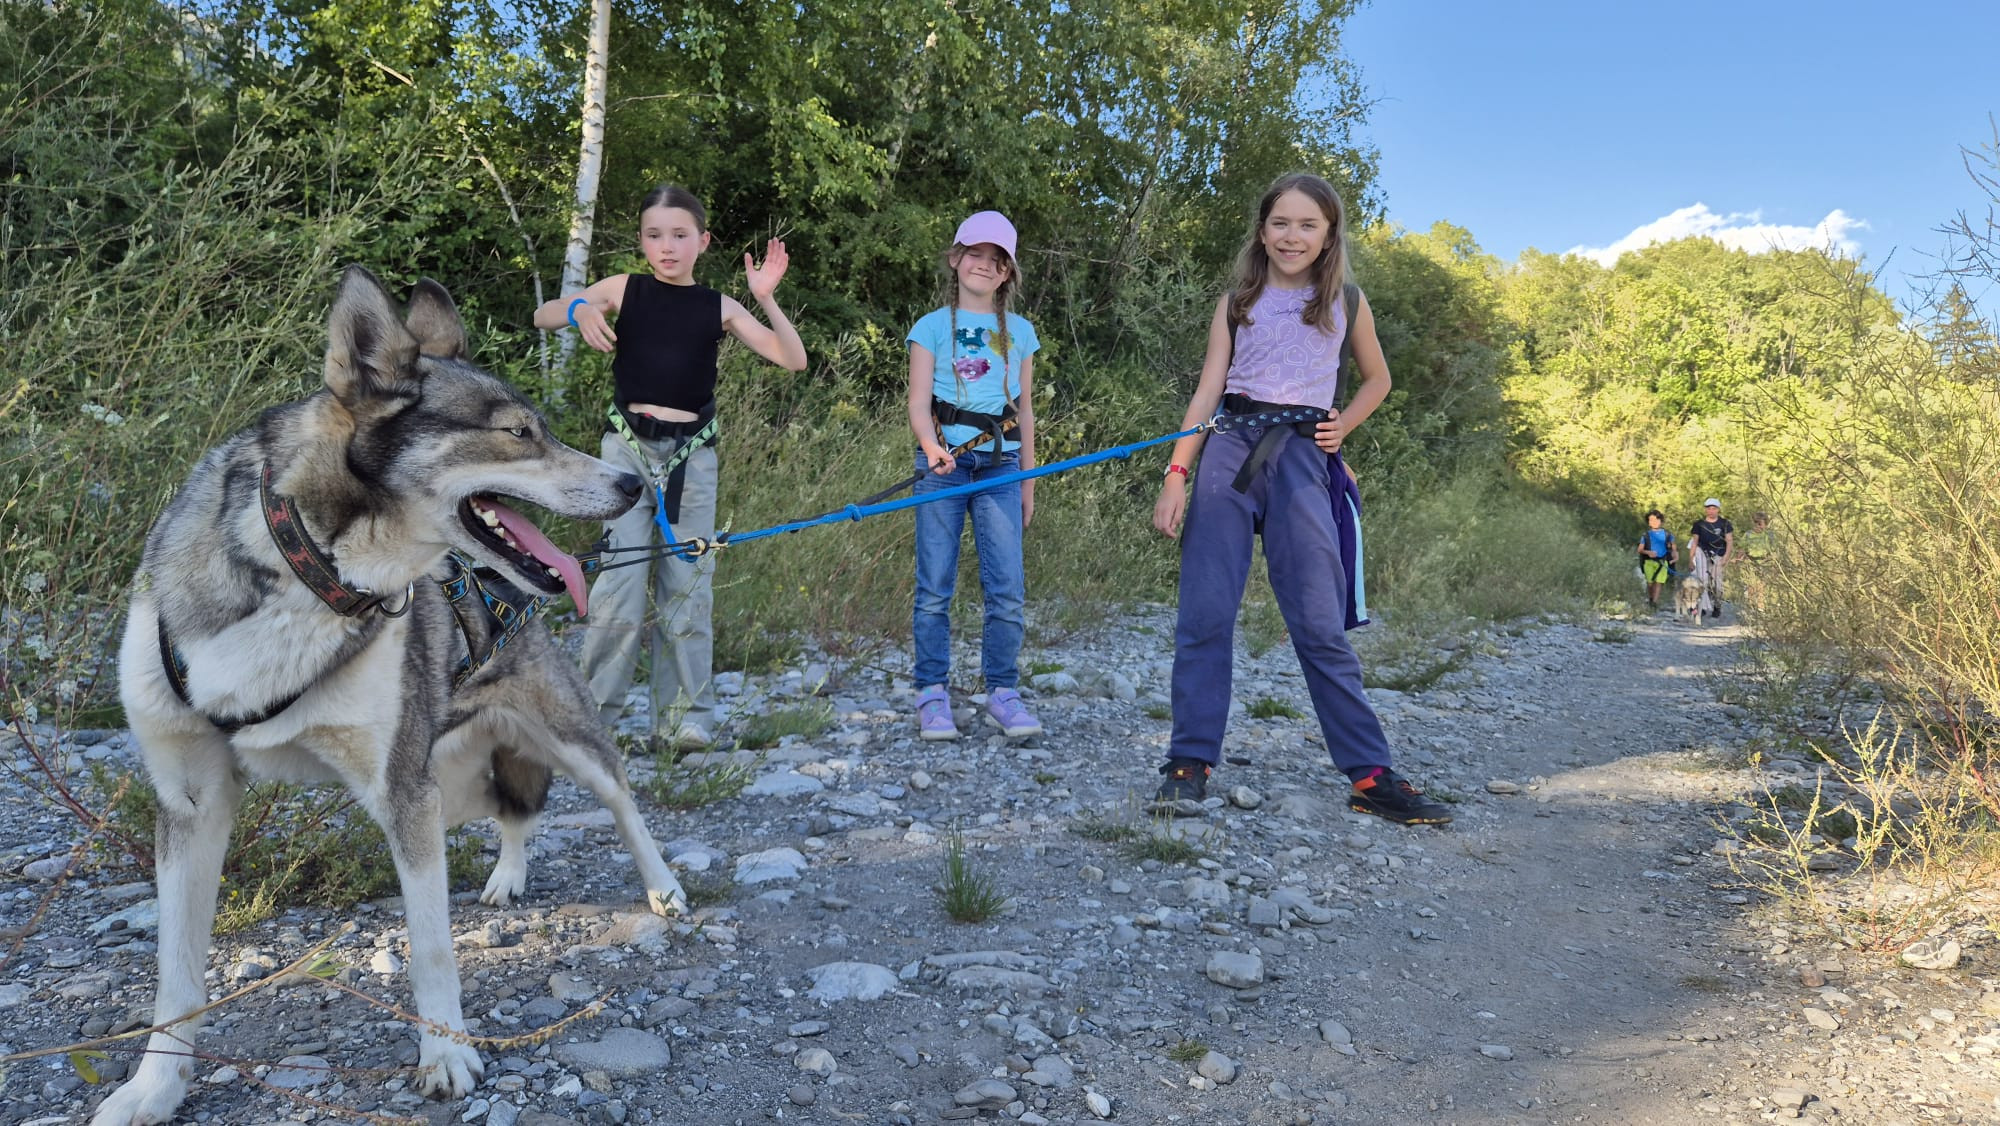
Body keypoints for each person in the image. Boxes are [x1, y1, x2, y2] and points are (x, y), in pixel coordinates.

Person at [1148, 172, 1449, 826]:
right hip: (1229, 447)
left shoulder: (1346, 301)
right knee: (1205, 610)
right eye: (1280, 222)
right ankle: (1188, 762)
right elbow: (1204, 394)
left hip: (1303, 457)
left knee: (1318, 621)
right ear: (1263, 230)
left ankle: (1370, 776)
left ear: (1328, 234)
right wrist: (1177, 474)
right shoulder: (1236, 302)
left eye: (1307, 224)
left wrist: (1345, 425)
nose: (1292, 235)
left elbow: (1378, 379)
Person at [534, 184, 807, 751]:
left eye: (680, 235)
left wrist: (766, 298)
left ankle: (685, 720)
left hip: (691, 458)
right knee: (620, 585)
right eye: (655, 235)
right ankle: (594, 722)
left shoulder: (719, 306)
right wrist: (582, 305)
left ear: (702, 242)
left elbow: (792, 359)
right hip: (625, 454)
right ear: (642, 241)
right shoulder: (624, 289)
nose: (667, 247)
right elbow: (545, 315)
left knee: (687, 587)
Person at [905, 210, 1043, 741]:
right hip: (942, 470)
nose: (984, 265)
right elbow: (919, 403)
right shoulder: (932, 326)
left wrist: (1027, 484)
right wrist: (930, 446)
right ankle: (931, 693)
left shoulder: (1022, 334)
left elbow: (1025, 413)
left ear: (1006, 272)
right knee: (934, 587)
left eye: (996, 259)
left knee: (1006, 589)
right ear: (956, 257)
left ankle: (1002, 690)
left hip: (1002, 469)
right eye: (975, 254)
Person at [1684, 498, 1734, 622]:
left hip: (1718, 554)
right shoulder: (1699, 524)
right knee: (1702, 580)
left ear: (1718, 509)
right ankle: (1703, 606)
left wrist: (1726, 557)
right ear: (1705, 509)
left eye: (1714, 508)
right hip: (1702, 553)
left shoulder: (1725, 523)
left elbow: (1729, 541)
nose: (1711, 511)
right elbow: (1695, 542)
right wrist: (1691, 559)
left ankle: (1717, 605)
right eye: (1708, 508)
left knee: (1716, 582)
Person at [1637, 509, 1676, 610]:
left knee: (1659, 582)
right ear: (1648, 522)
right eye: (1651, 520)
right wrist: (1648, 552)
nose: (1654, 522)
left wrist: (1675, 556)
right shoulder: (1645, 535)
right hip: (1649, 562)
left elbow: (1673, 548)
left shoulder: (1668, 535)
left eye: (1656, 520)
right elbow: (1640, 549)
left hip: (1663, 562)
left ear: (1661, 521)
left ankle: (1654, 602)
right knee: (1650, 583)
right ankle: (1651, 598)